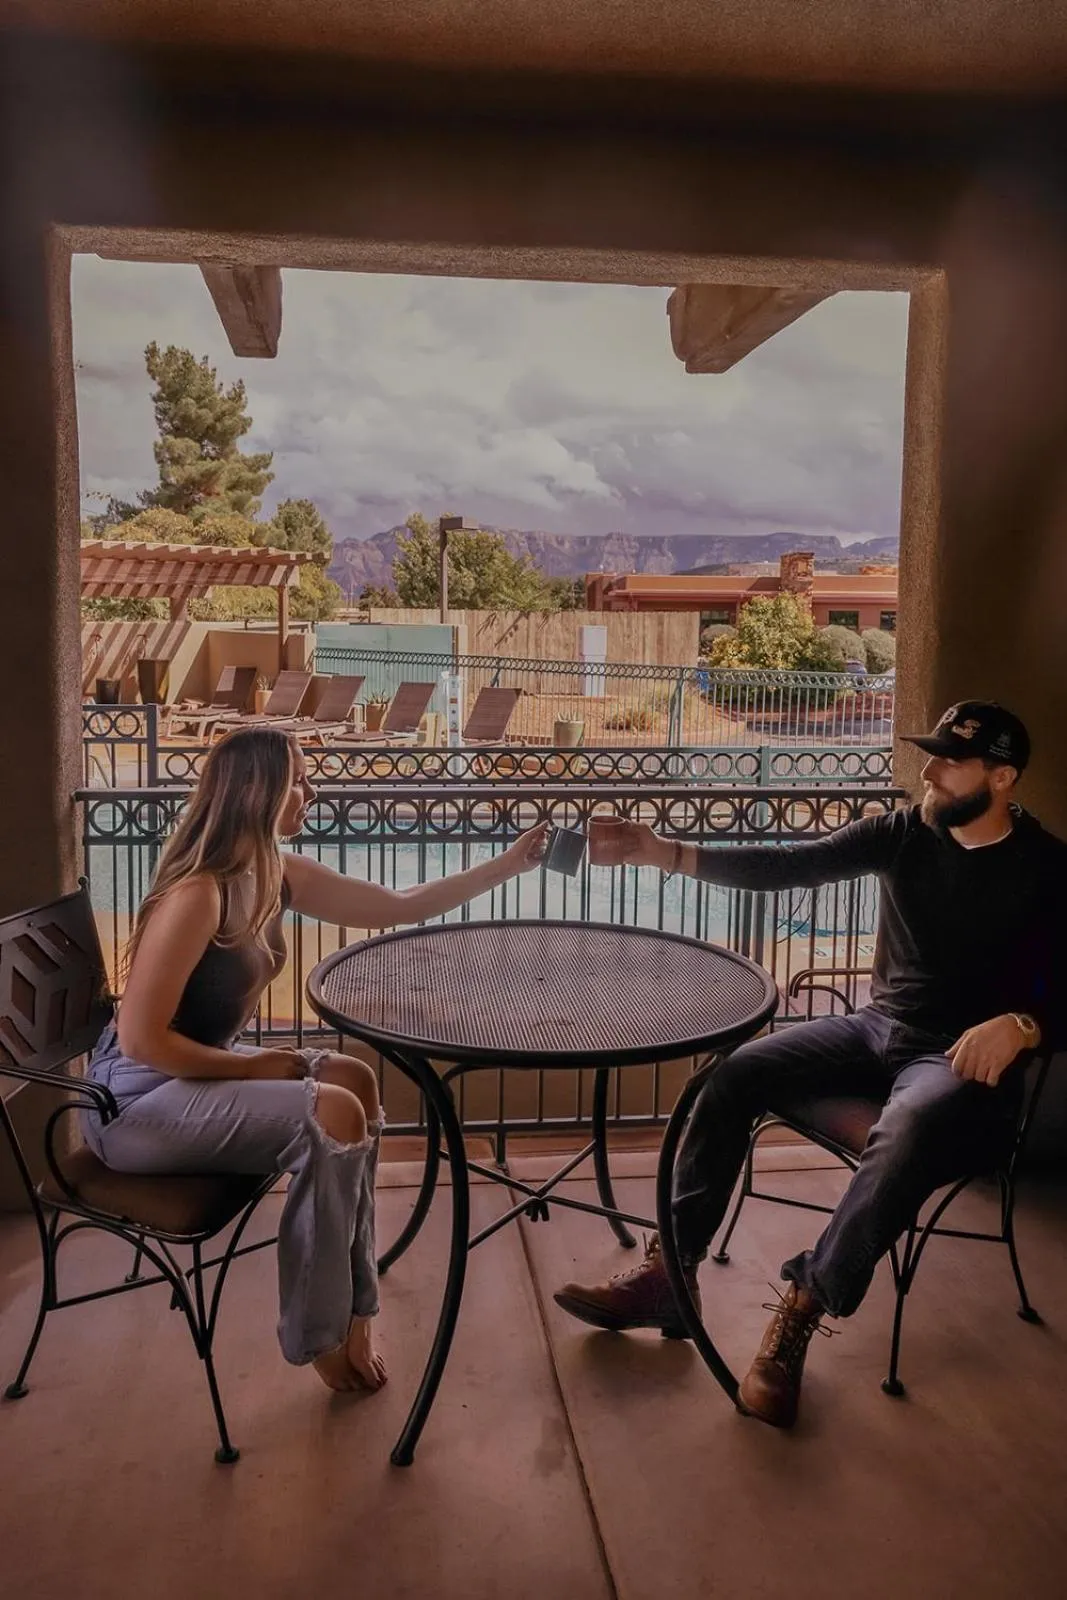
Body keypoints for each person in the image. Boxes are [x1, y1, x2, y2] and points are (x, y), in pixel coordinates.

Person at [555, 701, 1066, 1428]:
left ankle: (802, 1304)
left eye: (949, 761)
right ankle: (672, 1272)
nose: (928, 770)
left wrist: (1023, 1025)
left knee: (910, 1123)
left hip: (956, 1063)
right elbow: (789, 866)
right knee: (731, 1074)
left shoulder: (1047, 870)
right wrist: (662, 850)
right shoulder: (903, 835)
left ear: (1002, 777)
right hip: (874, 1029)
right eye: (931, 754)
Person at [84, 726, 547, 1394]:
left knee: (353, 1076)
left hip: (187, 1077)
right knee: (330, 1110)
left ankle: (353, 1306)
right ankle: (320, 1335)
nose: (311, 789)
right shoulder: (200, 893)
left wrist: (506, 865)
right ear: (257, 790)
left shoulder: (272, 870)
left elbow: (397, 907)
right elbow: (141, 1042)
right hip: (133, 1104)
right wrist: (253, 1068)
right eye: (298, 777)